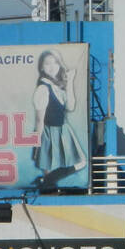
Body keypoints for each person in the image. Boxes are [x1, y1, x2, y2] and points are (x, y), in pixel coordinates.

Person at [31, 49, 87, 188]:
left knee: (81, 162)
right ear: (42, 67)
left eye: (55, 62)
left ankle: (45, 182)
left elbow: (70, 106)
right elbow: (39, 120)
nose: (52, 66)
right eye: (47, 63)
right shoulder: (43, 89)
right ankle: (46, 184)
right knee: (49, 168)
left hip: (63, 131)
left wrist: (70, 81)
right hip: (48, 133)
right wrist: (36, 145)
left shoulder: (56, 86)